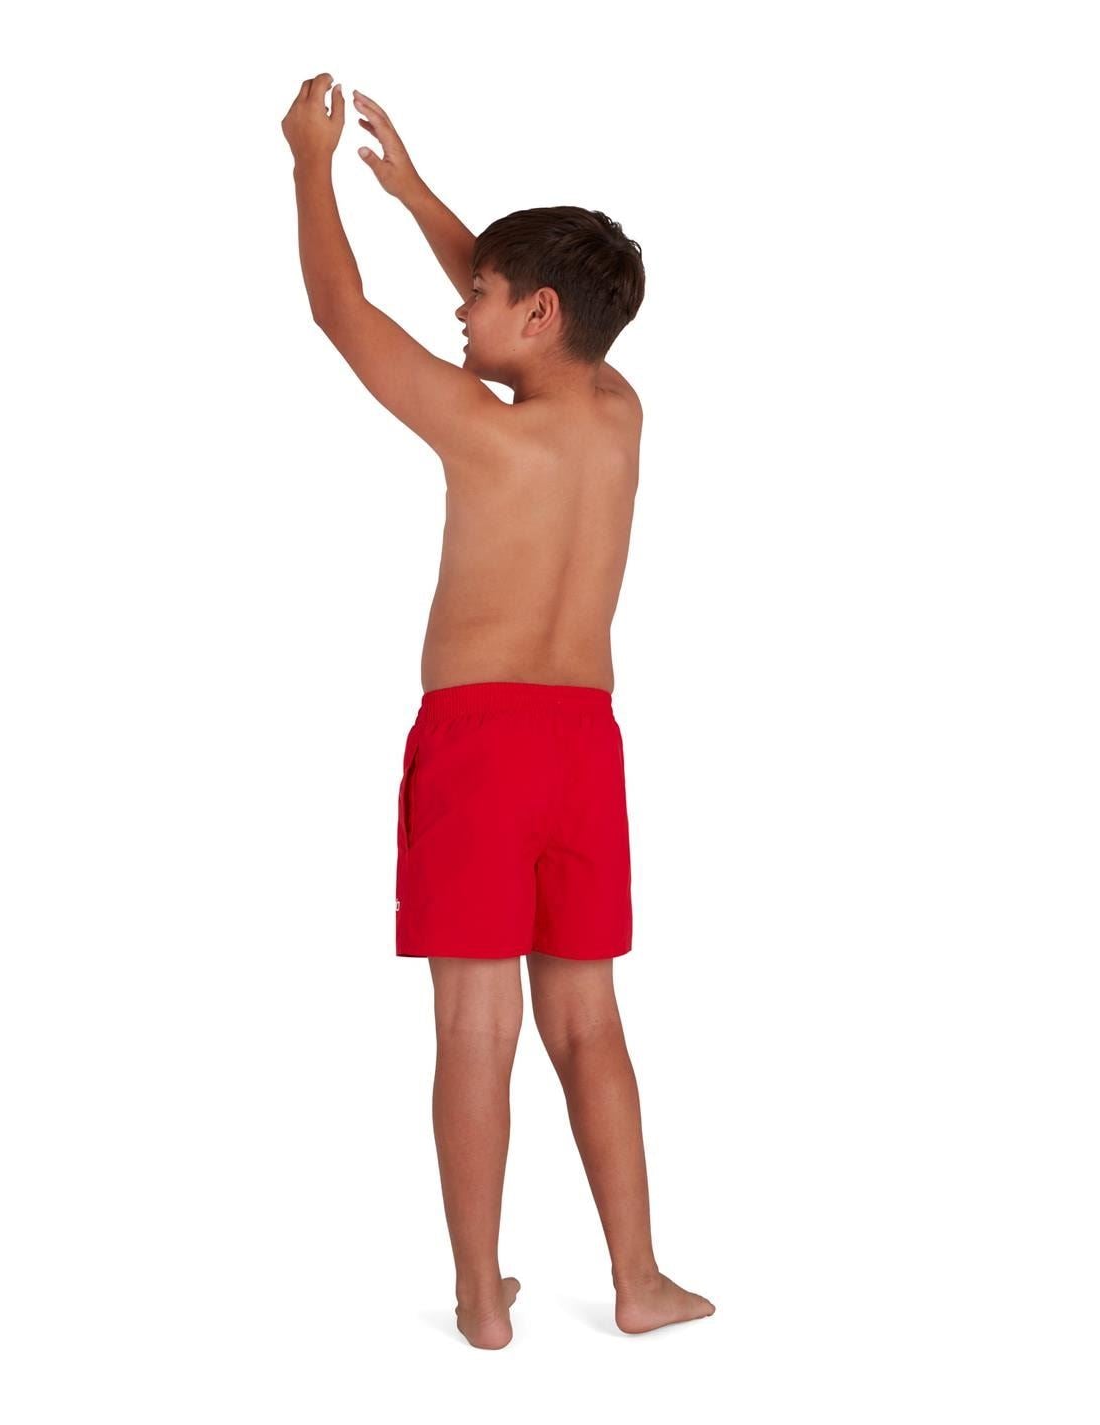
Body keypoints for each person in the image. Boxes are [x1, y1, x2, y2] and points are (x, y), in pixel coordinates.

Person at [282, 72, 715, 1350]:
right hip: (586, 746)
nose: (456, 306)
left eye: (476, 294)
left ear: (535, 313)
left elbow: (338, 310)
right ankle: (639, 1281)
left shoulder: (483, 431)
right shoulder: (617, 412)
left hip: (481, 743)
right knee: (588, 1019)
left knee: (477, 1026)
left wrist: (312, 167)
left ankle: (481, 1298)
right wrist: (417, 194)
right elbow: (540, 310)